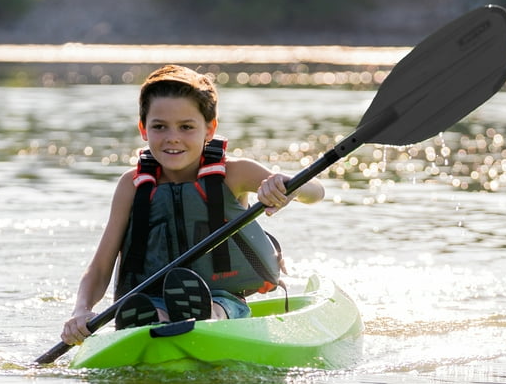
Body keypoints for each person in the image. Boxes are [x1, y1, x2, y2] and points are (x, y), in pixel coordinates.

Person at [61, 64, 324, 346]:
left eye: (186, 127)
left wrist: (289, 186)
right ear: (143, 129)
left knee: (216, 308)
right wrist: (81, 311)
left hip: (223, 299)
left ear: (210, 129)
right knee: (151, 310)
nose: (172, 137)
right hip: (148, 299)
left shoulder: (235, 173)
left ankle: (198, 317)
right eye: (159, 127)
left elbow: (316, 191)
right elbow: (100, 267)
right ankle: (150, 322)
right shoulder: (132, 185)